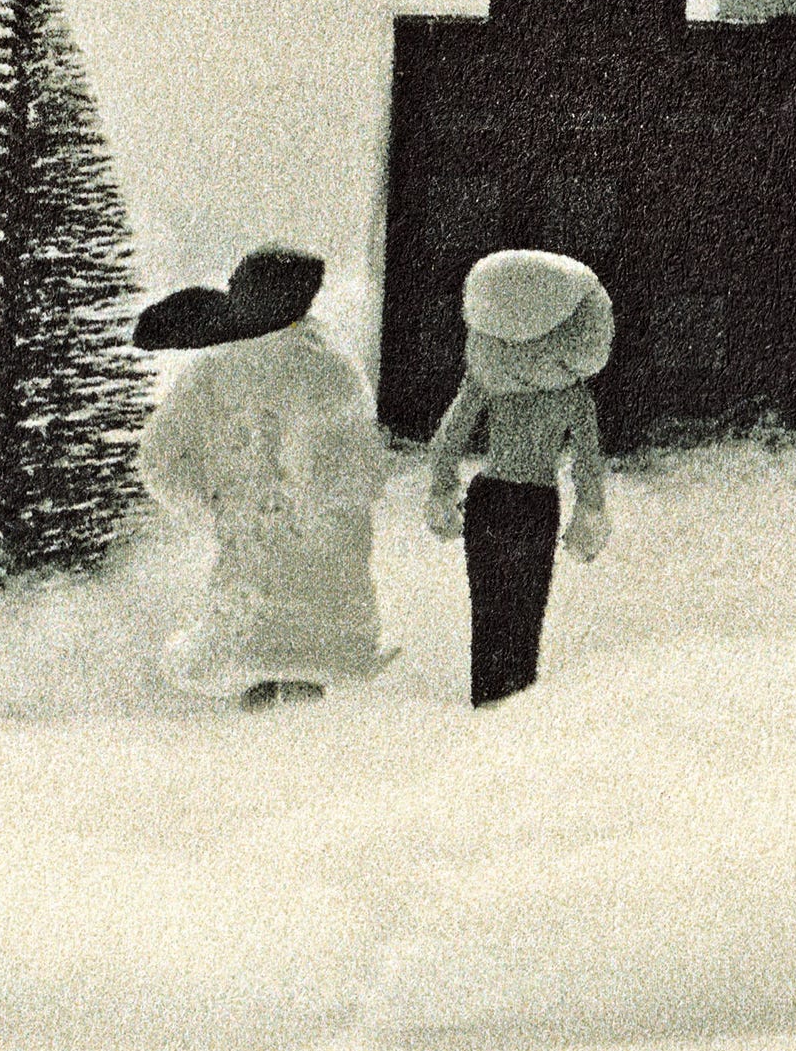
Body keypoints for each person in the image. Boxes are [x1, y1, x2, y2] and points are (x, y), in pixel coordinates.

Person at [134, 247, 396, 709]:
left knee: (250, 660)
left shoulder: (213, 372)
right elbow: (363, 473)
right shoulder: (335, 368)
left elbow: (159, 459)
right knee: (308, 664)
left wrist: (213, 505)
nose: (231, 294)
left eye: (239, 286)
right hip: (324, 563)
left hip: (253, 552)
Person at [425, 248, 613, 706]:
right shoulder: (572, 393)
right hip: (536, 504)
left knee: (488, 609)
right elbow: (588, 461)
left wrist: (442, 488)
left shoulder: (486, 381)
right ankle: (515, 705)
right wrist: (590, 510)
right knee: (526, 611)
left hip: (489, 498)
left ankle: (485, 698)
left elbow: (448, 438)